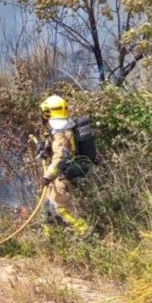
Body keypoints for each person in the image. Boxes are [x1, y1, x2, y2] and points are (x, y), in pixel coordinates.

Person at [36, 94, 90, 236]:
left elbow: (61, 156)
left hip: (61, 177)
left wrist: (48, 176)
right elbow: (56, 149)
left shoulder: (60, 132)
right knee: (47, 208)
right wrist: (44, 147)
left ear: (48, 112)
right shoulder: (63, 128)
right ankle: (50, 239)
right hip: (57, 177)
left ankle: (85, 231)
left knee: (61, 208)